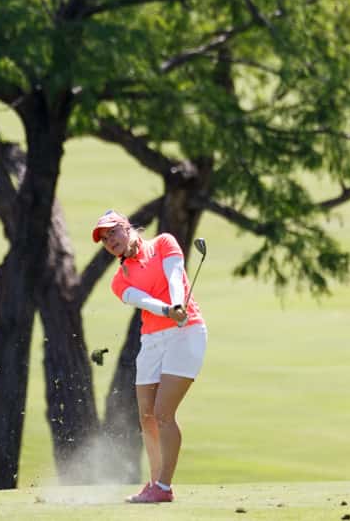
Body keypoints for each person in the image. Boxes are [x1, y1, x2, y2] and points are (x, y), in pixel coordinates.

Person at [91, 209, 207, 504]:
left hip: (186, 333)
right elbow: (142, 300)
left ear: (127, 227)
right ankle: (155, 482)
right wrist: (168, 310)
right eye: (105, 239)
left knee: (164, 413)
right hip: (152, 340)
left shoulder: (164, 243)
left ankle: (164, 488)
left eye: (113, 232)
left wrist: (178, 304)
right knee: (146, 416)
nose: (110, 240)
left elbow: (175, 277)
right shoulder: (119, 280)